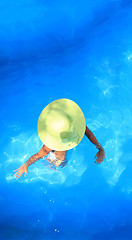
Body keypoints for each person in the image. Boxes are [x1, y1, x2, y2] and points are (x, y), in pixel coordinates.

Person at [14, 99, 105, 179]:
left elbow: (88, 133)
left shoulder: (74, 126)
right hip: (54, 151)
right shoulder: (49, 146)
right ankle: (50, 162)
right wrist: (26, 164)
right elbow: (38, 155)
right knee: (60, 160)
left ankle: (52, 162)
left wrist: (100, 148)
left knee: (61, 159)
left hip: (56, 139)